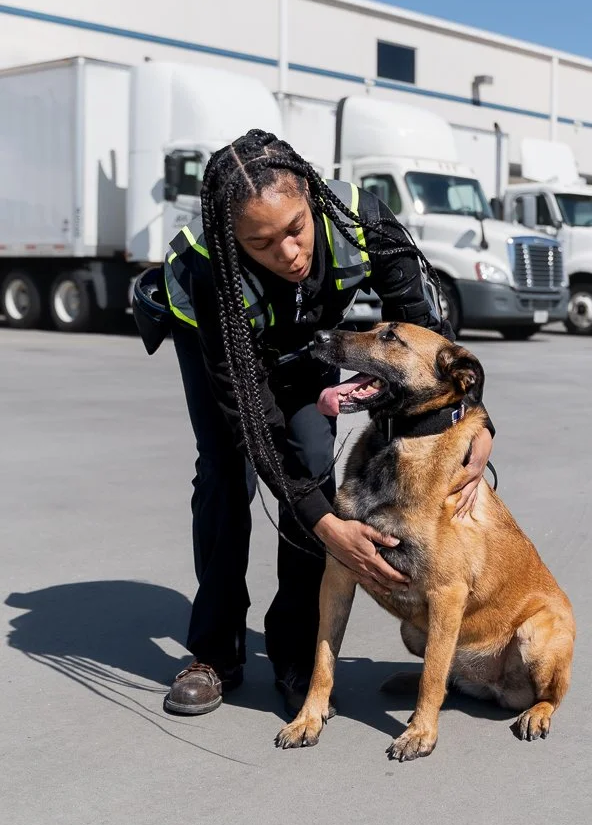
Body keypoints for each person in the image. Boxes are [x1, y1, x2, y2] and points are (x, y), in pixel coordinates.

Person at [133, 129, 494, 718]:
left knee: (315, 471)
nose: (290, 253)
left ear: (309, 194)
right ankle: (213, 653)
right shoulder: (211, 270)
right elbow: (253, 418)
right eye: (262, 243)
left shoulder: (360, 220)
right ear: (234, 240)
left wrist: (471, 421)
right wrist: (327, 526)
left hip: (306, 346)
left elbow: (430, 338)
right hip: (220, 345)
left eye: (296, 228)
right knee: (227, 477)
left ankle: (294, 650)